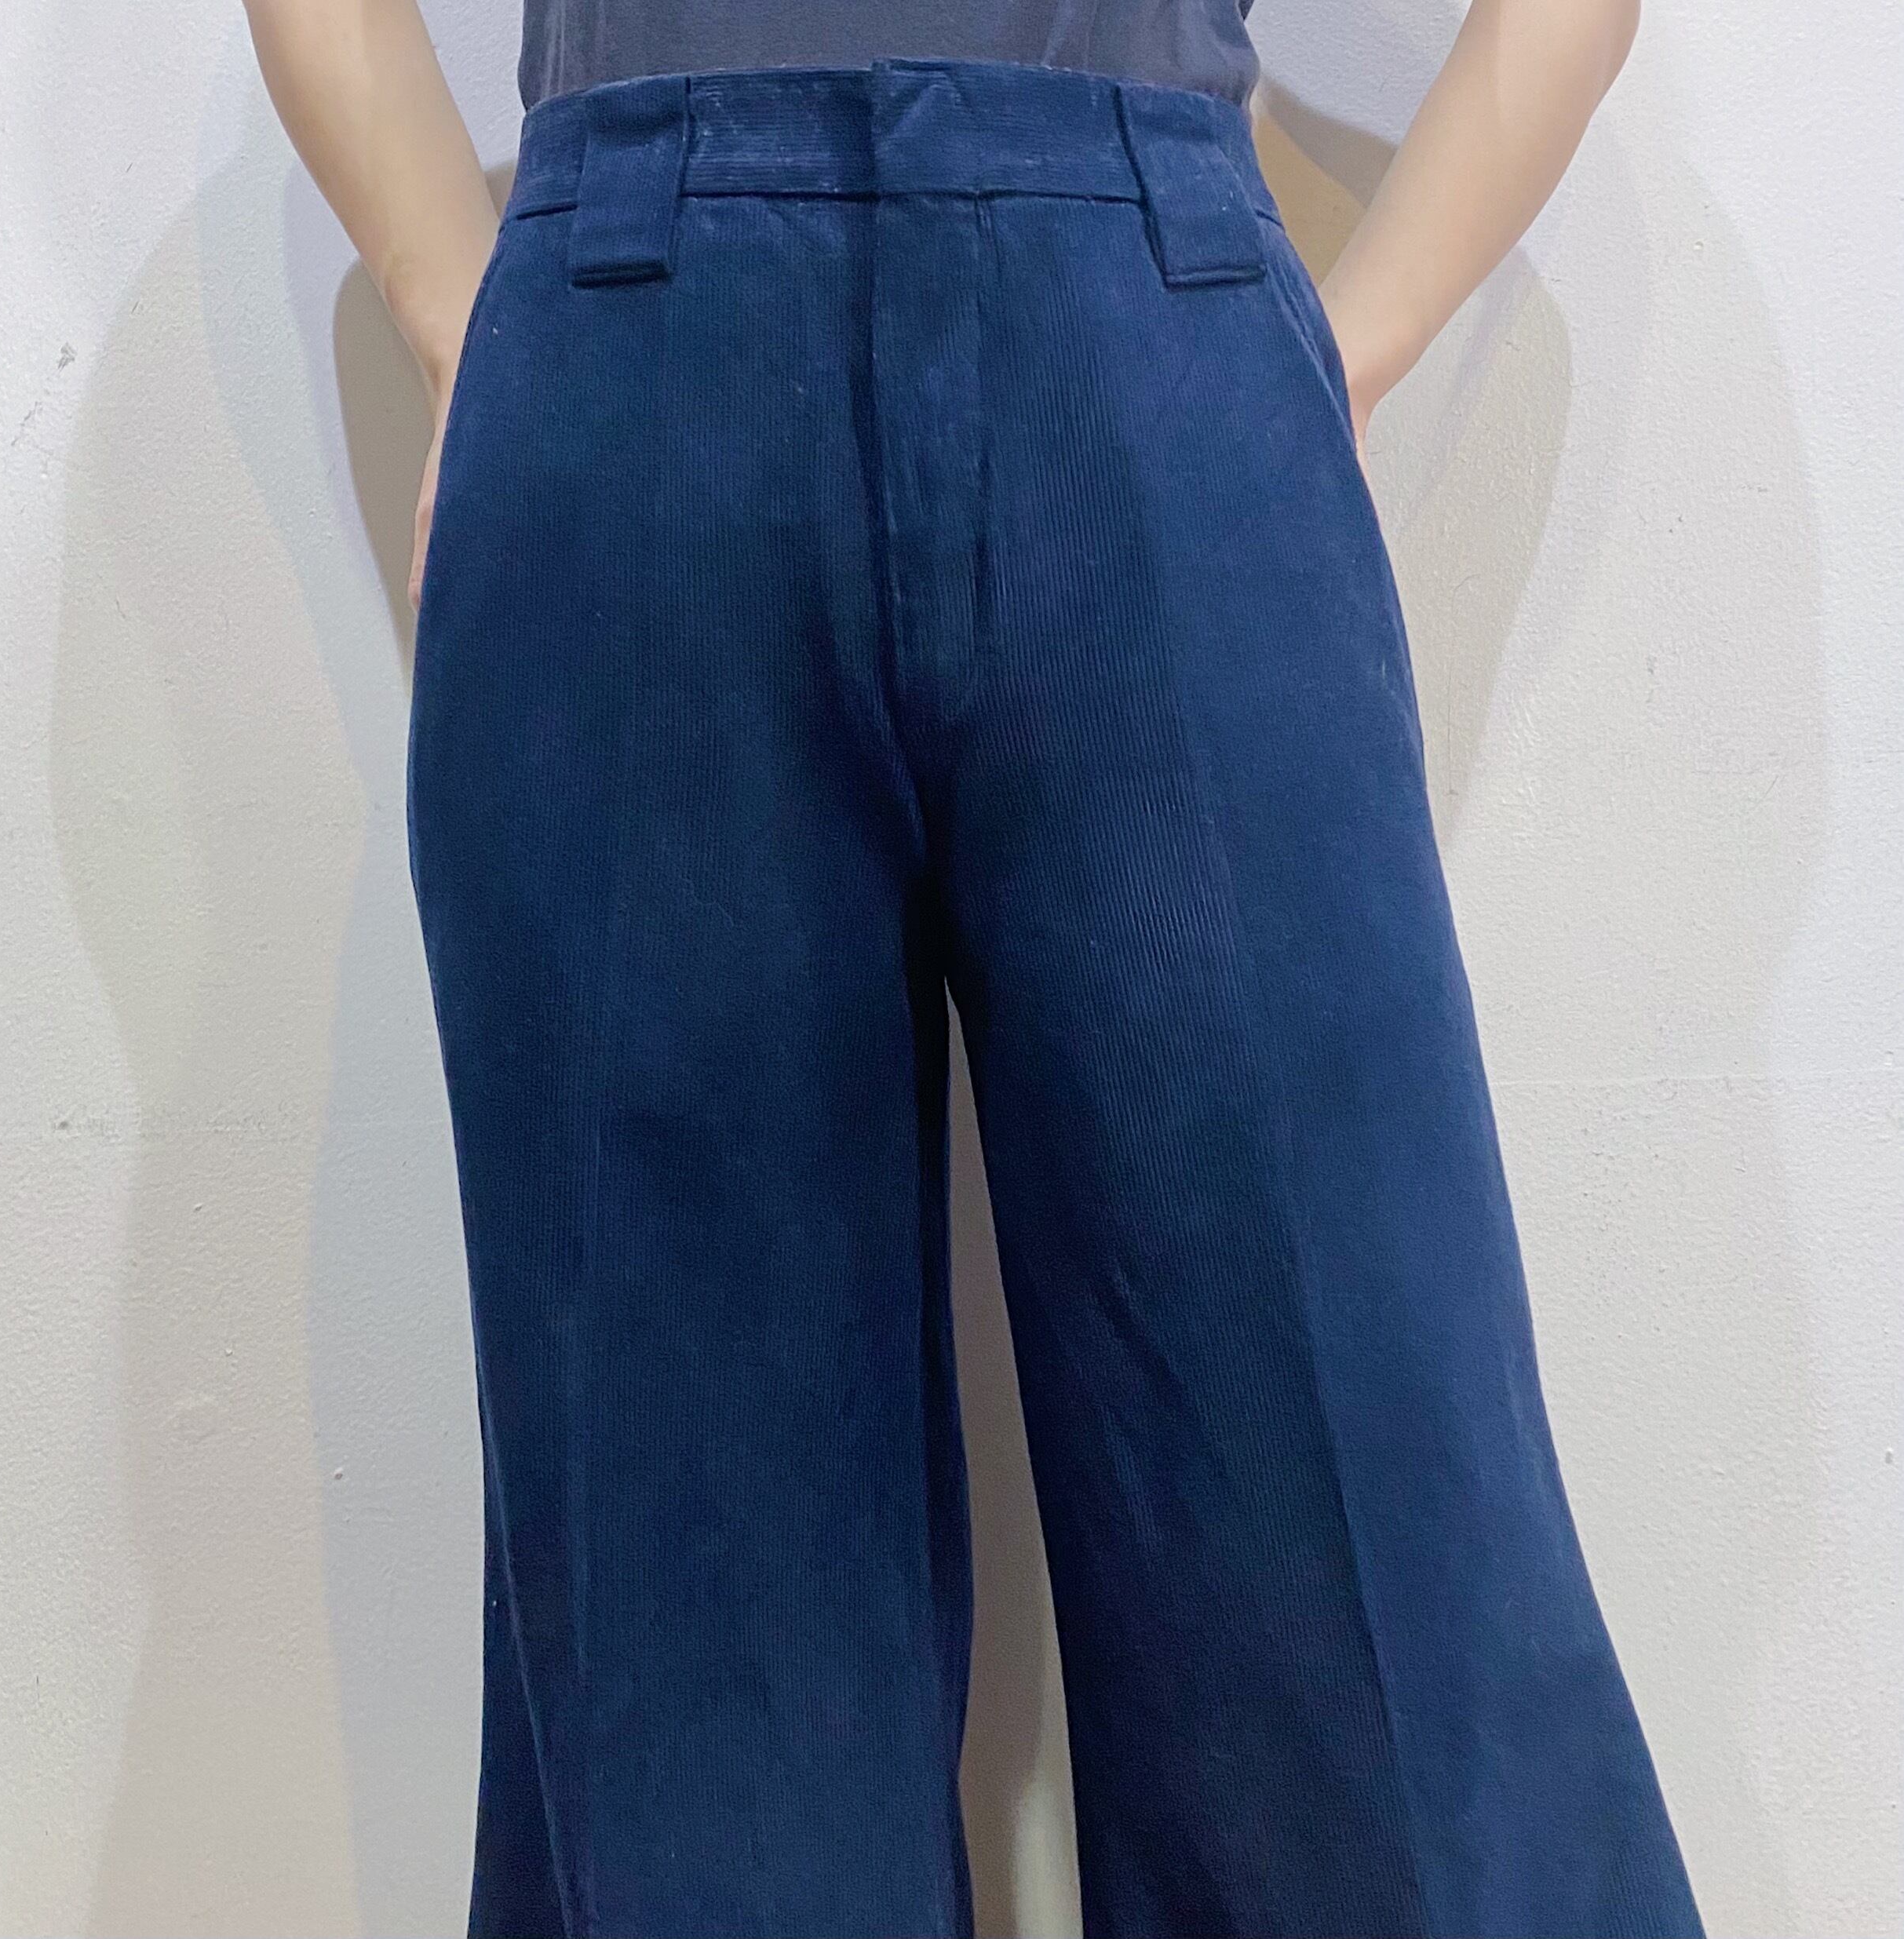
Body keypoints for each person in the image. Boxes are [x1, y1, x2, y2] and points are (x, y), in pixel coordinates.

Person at [239, 0, 1705, 1933]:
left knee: (1342, 1493)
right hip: (639, 338)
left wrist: (1325, 358)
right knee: (692, 1578)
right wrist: (461, 315)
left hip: (1139, 320)